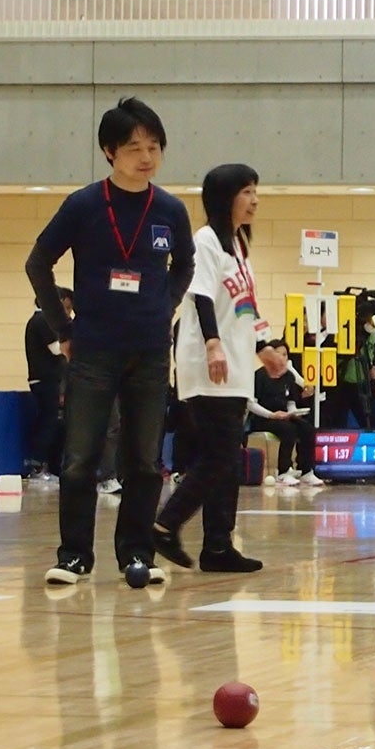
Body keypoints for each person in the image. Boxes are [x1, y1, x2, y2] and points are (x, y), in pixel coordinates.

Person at [25, 96, 194, 587]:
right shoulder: (82, 205)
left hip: (149, 351)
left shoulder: (170, 210)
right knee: (79, 457)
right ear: (109, 151)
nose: (146, 156)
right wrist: (64, 330)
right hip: (93, 350)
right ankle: (75, 555)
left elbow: (184, 265)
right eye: (134, 147)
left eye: (154, 146)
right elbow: (38, 263)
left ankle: (136, 554)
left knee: (144, 461)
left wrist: (166, 306)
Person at [153, 163, 267, 574]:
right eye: (247, 191)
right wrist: (214, 344)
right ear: (224, 197)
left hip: (236, 367)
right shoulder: (205, 241)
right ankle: (164, 524)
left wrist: (267, 346)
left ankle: (218, 547)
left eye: (256, 191)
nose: (254, 200)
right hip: (208, 364)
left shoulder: (238, 246)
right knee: (219, 456)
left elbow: (245, 305)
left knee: (227, 458)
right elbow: (199, 297)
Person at [252, 340, 320, 487]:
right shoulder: (260, 376)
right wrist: (272, 414)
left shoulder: (288, 376)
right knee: (288, 430)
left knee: (307, 429)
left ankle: (305, 470)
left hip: (283, 417)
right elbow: (251, 404)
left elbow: (290, 402)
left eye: (285, 355)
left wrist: (293, 413)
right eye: (279, 354)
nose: (282, 358)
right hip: (263, 417)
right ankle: (283, 471)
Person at [25, 288, 72, 479]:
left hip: (48, 379)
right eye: (66, 307)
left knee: (54, 423)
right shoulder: (42, 320)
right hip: (45, 379)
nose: (67, 313)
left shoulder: (41, 320)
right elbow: (56, 349)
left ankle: (51, 466)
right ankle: (37, 466)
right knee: (48, 422)